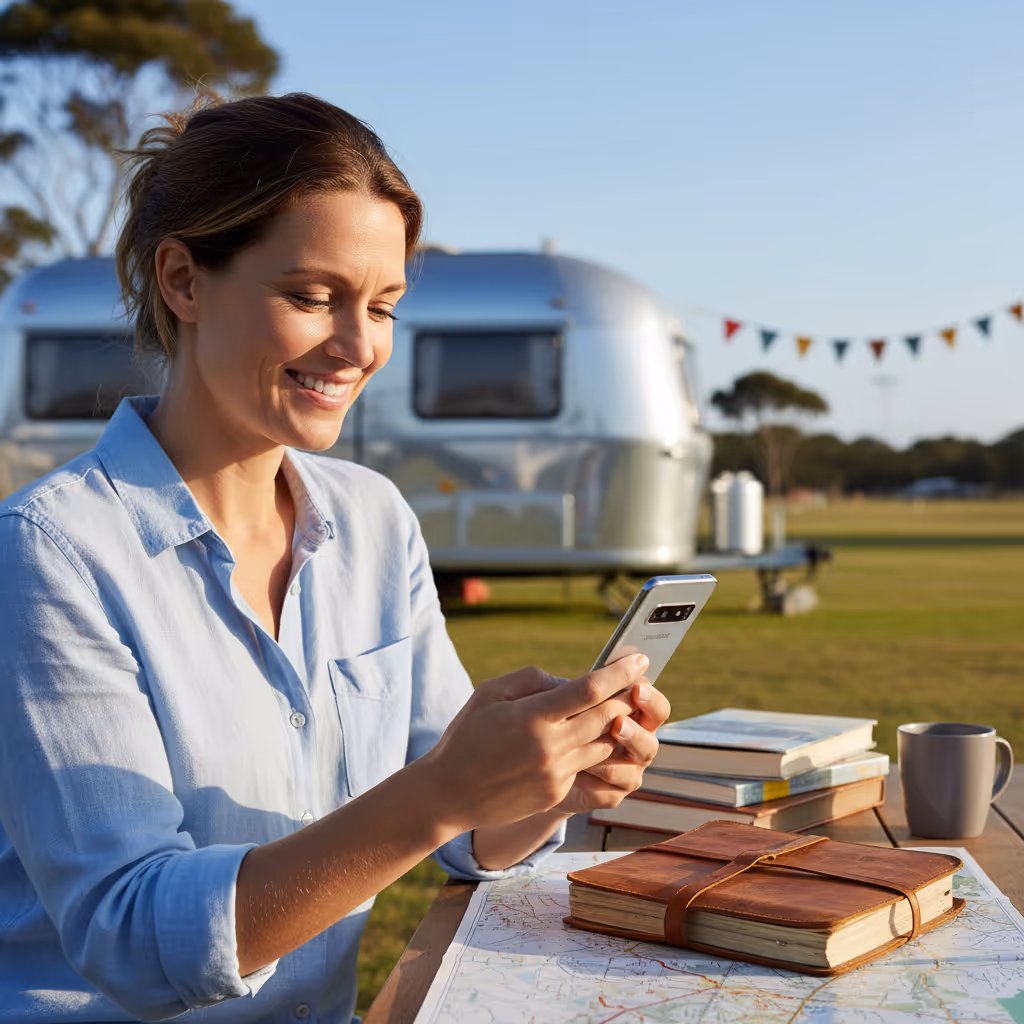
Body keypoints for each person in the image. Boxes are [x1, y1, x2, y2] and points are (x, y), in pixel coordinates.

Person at [0, 93, 670, 1022]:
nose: (358, 347)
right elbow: (134, 937)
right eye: (313, 298)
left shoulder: (373, 520)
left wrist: (547, 783)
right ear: (183, 281)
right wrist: (442, 793)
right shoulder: (52, 553)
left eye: (383, 307)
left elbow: (467, 832)